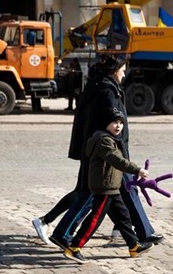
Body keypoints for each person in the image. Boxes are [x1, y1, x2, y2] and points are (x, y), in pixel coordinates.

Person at [33, 54, 163, 248]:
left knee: (119, 194)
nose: (124, 73)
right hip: (106, 153)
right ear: (114, 70)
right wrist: (119, 154)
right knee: (93, 194)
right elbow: (112, 122)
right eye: (122, 69)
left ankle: (138, 236)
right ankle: (62, 232)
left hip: (101, 150)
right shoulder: (106, 91)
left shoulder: (100, 86)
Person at [63, 107, 153, 263]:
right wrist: (137, 170)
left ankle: (134, 246)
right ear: (105, 123)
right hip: (104, 187)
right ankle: (74, 247)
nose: (118, 126)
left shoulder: (109, 139)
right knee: (95, 218)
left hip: (112, 187)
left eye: (120, 122)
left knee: (123, 217)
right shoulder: (104, 141)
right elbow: (116, 160)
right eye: (114, 122)